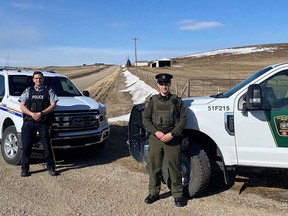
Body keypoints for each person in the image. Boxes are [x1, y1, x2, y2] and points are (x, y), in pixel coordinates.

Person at [142, 73, 187, 207]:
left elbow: (183, 119)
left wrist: (172, 134)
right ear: (158, 85)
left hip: (172, 138)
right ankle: (153, 193)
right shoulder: (152, 101)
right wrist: (156, 132)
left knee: (174, 167)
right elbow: (145, 119)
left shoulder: (176, 101)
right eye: (161, 84)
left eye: (166, 84)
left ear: (169, 85)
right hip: (156, 138)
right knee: (154, 167)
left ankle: (178, 195)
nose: (164, 86)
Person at [19, 71, 59, 177]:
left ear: (43, 79)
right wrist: (32, 114)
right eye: (36, 78)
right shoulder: (28, 91)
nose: (38, 80)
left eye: (40, 78)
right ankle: (24, 169)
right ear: (33, 79)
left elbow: (53, 105)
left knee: (47, 146)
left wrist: (41, 113)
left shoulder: (49, 90)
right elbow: (22, 106)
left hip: (44, 122)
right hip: (29, 121)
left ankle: (51, 168)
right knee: (26, 146)